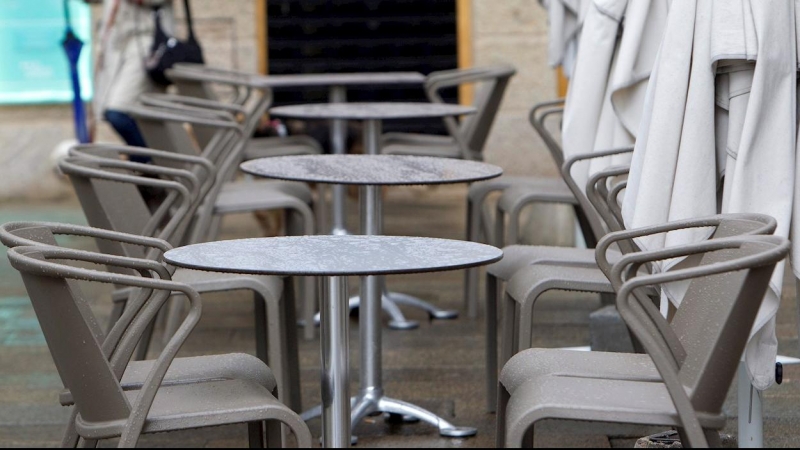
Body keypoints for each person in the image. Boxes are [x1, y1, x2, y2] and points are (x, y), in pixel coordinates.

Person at [89, 0, 174, 148]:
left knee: (117, 113)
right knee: (115, 113)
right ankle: (146, 162)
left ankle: (150, 161)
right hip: (116, 47)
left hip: (147, 46)